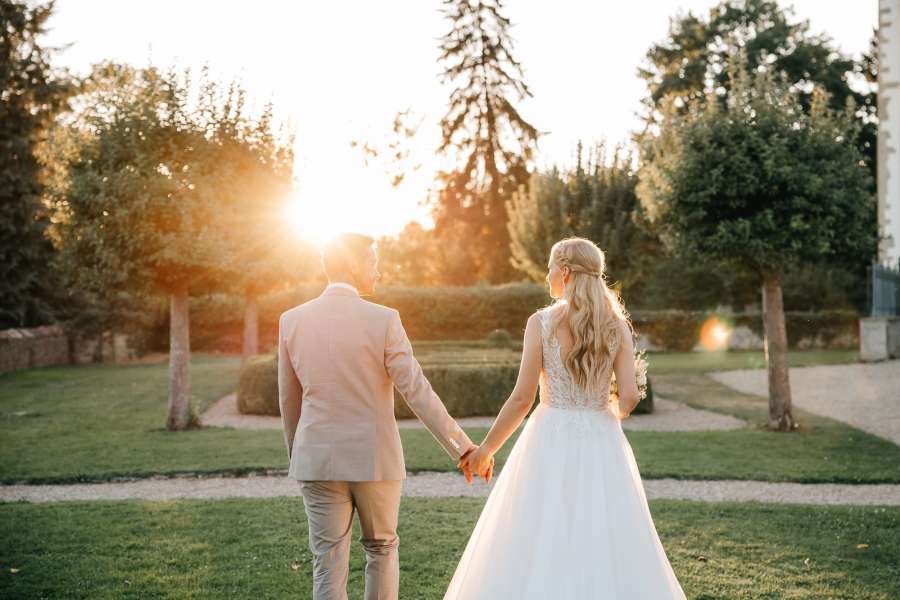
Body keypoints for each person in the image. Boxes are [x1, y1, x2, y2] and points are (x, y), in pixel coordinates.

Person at [447, 237, 686, 599]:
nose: (547, 276)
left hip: (549, 436)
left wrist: (486, 450)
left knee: (538, 529)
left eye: (549, 269)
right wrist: (608, 411)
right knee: (604, 532)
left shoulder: (541, 323)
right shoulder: (617, 326)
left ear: (564, 273)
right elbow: (630, 396)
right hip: (602, 437)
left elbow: (522, 399)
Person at [277, 232, 491, 600]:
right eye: (373, 263)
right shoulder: (384, 319)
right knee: (381, 549)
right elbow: (416, 390)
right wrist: (462, 446)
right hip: (374, 458)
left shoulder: (291, 320)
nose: (378, 271)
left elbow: (288, 399)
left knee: (326, 560)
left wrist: (299, 454)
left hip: (316, 458)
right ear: (354, 265)